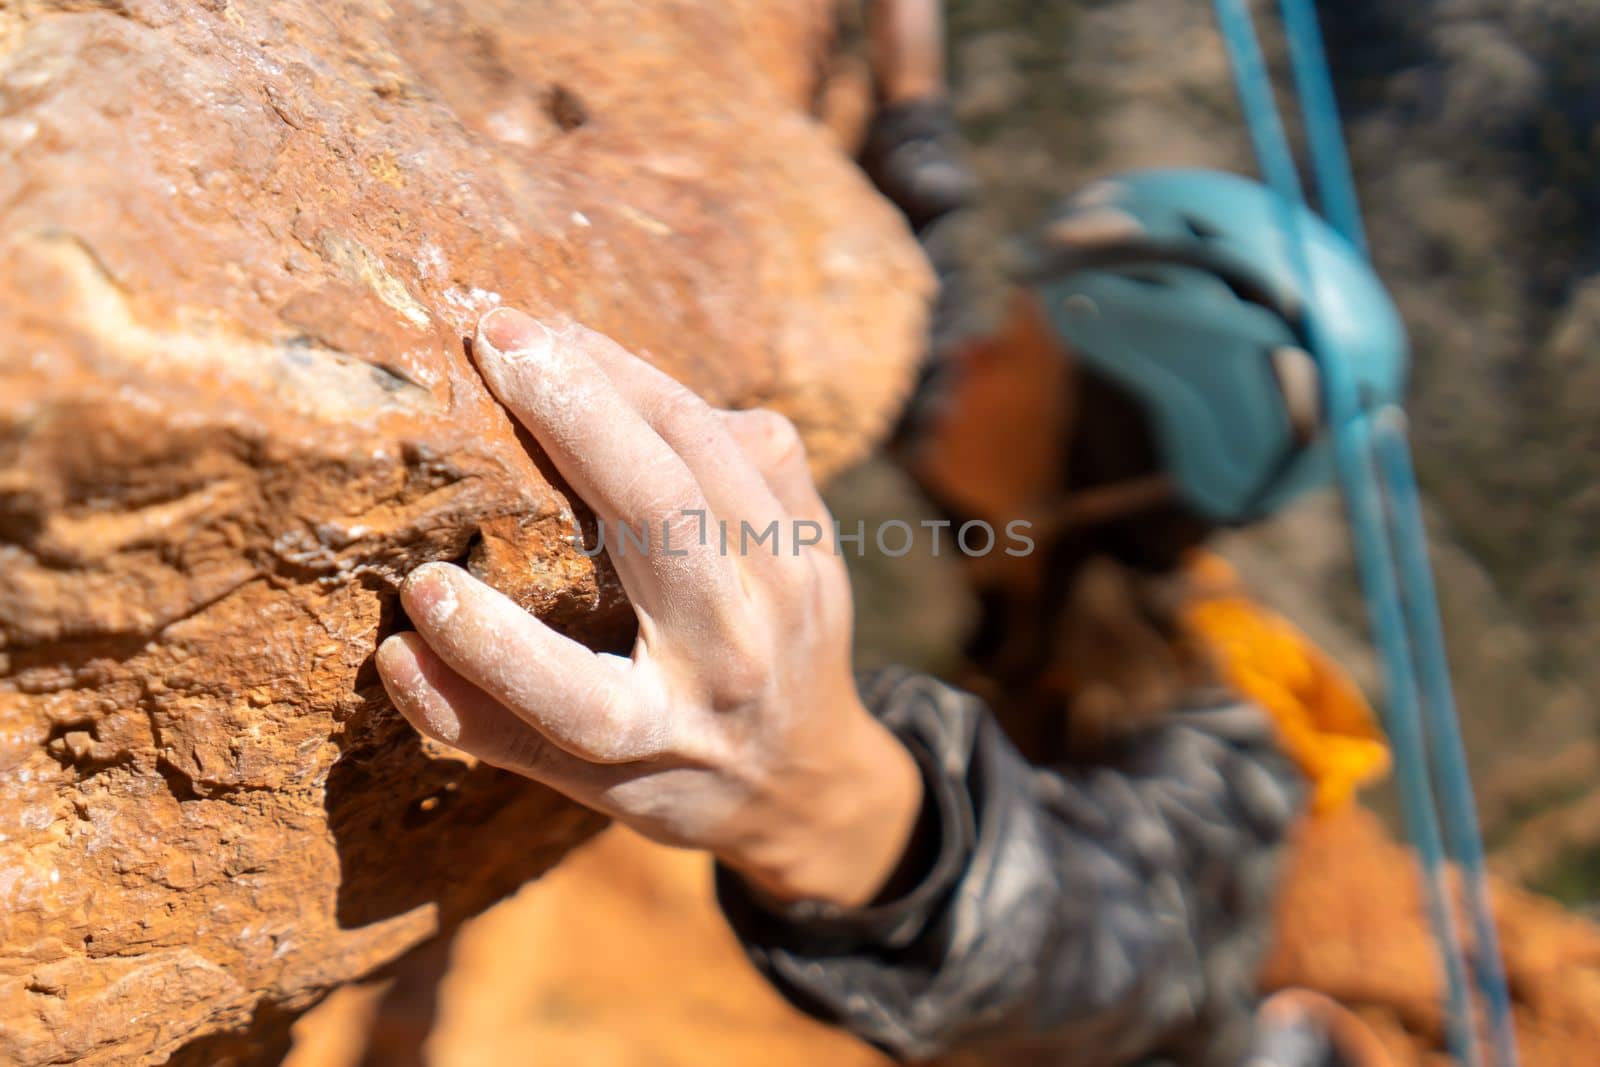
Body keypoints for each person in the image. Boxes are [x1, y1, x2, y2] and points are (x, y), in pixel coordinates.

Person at [374, 158, 1406, 1065]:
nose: (965, 352)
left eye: (1014, 340)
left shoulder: (1233, 737)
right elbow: (934, 324)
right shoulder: (1027, 534)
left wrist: (819, 793)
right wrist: (911, 109)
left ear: (1096, 434)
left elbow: (1113, 939)